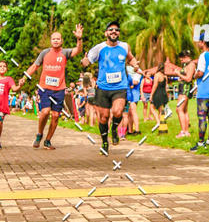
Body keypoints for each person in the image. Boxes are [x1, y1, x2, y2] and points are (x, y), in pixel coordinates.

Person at [81, 21, 143, 155]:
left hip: (120, 86)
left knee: (118, 112)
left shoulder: (125, 46)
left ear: (119, 33)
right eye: (111, 29)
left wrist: (135, 65)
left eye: (116, 30)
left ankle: (114, 130)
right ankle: (104, 142)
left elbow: (131, 58)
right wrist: (84, 61)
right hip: (103, 88)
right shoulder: (99, 48)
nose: (114, 31)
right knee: (103, 118)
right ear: (106, 33)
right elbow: (87, 62)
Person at [23, 24, 83, 149]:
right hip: (45, 88)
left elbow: (78, 50)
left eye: (58, 39)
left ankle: (47, 141)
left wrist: (79, 38)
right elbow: (34, 66)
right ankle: (39, 134)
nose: (56, 40)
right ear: (51, 41)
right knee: (45, 112)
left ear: (61, 41)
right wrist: (24, 77)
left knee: (55, 115)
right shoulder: (45, 53)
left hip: (59, 89)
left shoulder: (65, 53)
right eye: (53, 39)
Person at [0, 61, 24, 148]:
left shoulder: (9, 79)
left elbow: (14, 88)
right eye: (0, 66)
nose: (2, 67)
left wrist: (20, 85)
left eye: (4, 66)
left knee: (0, 123)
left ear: (6, 69)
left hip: (3, 105)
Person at [191, 34, 209, 150]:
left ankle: (200, 142)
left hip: (204, 90)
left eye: (199, 41)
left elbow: (200, 72)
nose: (198, 43)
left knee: (202, 116)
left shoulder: (203, 55)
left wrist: (194, 75)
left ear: (203, 42)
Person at [166, 50, 196, 138]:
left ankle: (183, 131)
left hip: (185, 89)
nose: (181, 61)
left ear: (186, 57)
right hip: (183, 88)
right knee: (184, 110)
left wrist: (178, 74)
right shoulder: (187, 65)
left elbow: (189, 78)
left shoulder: (191, 65)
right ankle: (186, 131)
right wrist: (181, 78)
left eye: (182, 60)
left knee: (179, 109)